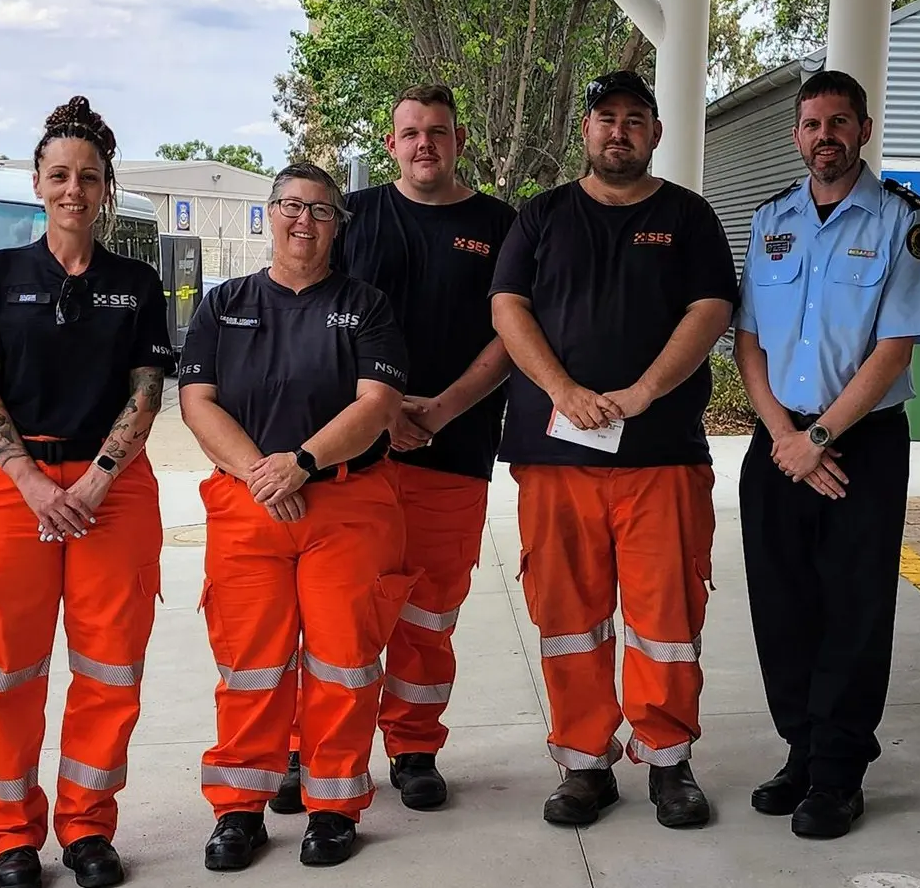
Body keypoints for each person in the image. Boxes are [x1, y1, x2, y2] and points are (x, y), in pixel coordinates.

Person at [489, 70, 738, 829]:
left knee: (667, 614)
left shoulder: (689, 217)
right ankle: (584, 763)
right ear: (586, 131)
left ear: (655, 133)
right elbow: (508, 306)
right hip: (557, 456)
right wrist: (562, 389)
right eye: (606, 117)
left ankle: (668, 760)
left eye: (635, 118)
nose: (618, 130)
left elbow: (711, 307)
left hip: (660, 455)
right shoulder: (540, 217)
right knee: (570, 614)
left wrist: (645, 391)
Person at [264, 84, 517, 814]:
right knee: (330, 615)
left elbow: (511, 334)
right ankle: (302, 748)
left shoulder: (500, 226)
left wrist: (437, 410)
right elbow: (315, 305)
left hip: (453, 445)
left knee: (428, 614)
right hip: (350, 457)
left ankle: (413, 747)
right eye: (410, 133)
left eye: (437, 132)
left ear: (459, 139)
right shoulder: (355, 215)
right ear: (390, 143)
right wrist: (375, 415)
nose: (424, 145)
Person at [0, 96, 174, 888]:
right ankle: (11, 834)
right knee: (9, 668)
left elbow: (146, 393)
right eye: (59, 174)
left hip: (110, 487)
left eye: (88, 176)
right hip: (14, 489)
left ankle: (87, 826)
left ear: (106, 186)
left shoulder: (137, 282)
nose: (72, 188)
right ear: (37, 181)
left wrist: (95, 479)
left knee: (110, 667)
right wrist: (32, 485)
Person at [178, 162, 416, 871]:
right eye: (290, 205)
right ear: (270, 214)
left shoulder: (366, 305)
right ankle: (238, 810)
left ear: (337, 224)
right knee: (250, 664)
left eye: (319, 209)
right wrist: (263, 471)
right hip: (249, 503)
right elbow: (197, 402)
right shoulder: (223, 304)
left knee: (343, 660)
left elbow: (376, 405)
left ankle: (334, 807)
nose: (302, 219)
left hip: (346, 505)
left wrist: (302, 462)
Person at [734, 69, 920, 840]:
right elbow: (748, 337)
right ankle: (802, 750)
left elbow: (894, 347)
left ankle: (841, 771)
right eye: (813, 123)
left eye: (840, 122)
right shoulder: (770, 219)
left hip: (863, 445)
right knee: (783, 605)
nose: (826, 135)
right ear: (797, 135)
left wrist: (818, 438)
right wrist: (785, 435)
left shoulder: (901, 221)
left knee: (854, 608)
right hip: (777, 437)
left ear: (864, 130)